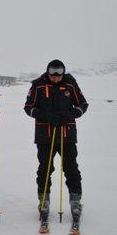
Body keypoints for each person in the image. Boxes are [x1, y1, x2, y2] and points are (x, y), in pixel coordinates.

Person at [24, 59, 88, 223]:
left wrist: (72, 114)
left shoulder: (70, 85)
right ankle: (43, 200)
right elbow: (28, 107)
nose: (56, 77)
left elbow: (83, 104)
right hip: (44, 136)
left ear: (63, 72)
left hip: (67, 135)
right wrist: (44, 115)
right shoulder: (38, 85)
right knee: (45, 168)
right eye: (53, 73)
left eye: (59, 73)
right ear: (48, 71)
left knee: (71, 168)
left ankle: (75, 201)